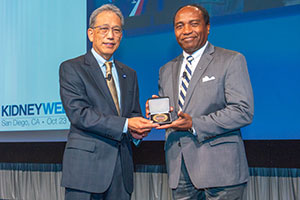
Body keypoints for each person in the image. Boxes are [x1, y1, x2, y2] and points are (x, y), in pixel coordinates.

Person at [147, 4, 254, 200]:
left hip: (221, 170)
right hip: (180, 171)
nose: (186, 31)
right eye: (179, 26)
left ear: (207, 27)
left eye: (193, 24)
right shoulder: (166, 70)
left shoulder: (231, 60)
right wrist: (160, 114)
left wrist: (194, 124)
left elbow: (243, 111)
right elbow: (178, 116)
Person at [59, 4, 158, 200]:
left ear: (121, 36)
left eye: (116, 30)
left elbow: (132, 114)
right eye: (104, 29)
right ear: (90, 33)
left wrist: (139, 128)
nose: (110, 35)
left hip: (122, 171)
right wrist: (127, 124)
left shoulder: (129, 74)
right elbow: (79, 115)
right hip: (85, 172)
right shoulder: (72, 68)